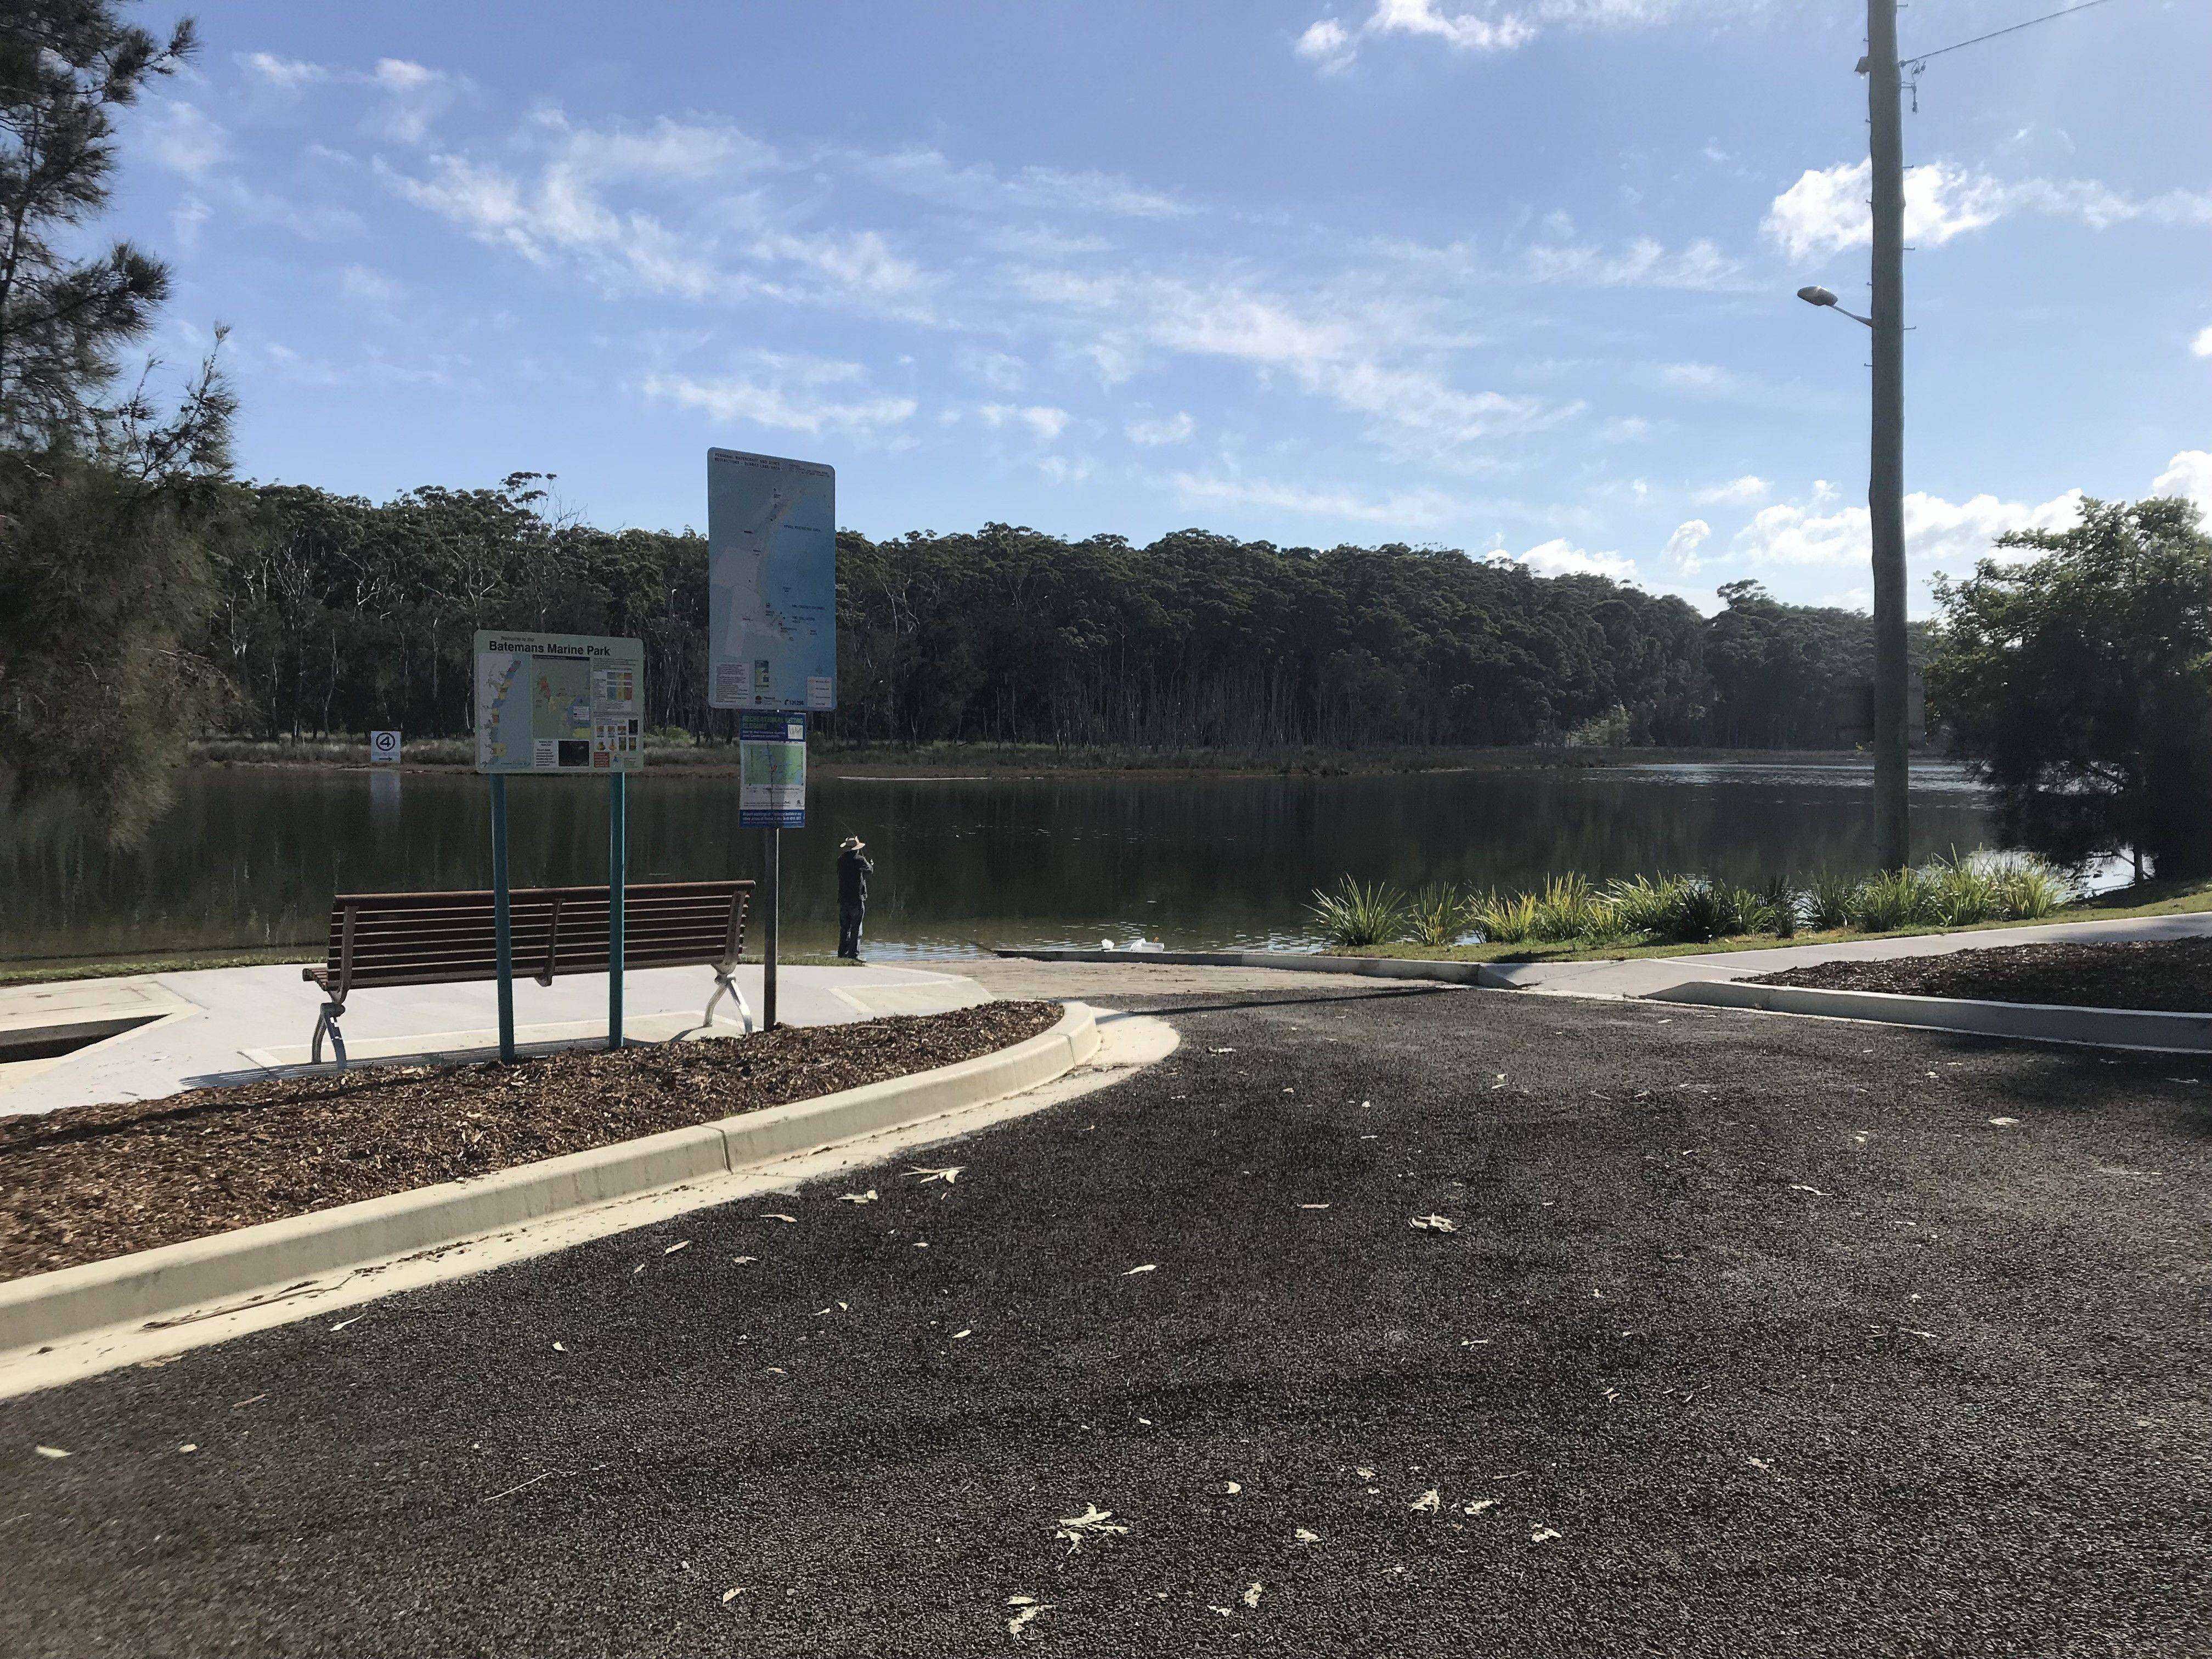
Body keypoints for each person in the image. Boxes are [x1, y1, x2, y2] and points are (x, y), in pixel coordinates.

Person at [837, 835, 873, 960]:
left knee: (844, 928)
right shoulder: (860, 860)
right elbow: (870, 870)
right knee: (856, 927)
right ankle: (854, 954)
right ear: (857, 849)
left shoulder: (840, 860)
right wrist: (869, 862)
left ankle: (842, 954)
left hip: (843, 899)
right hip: (856, 899)